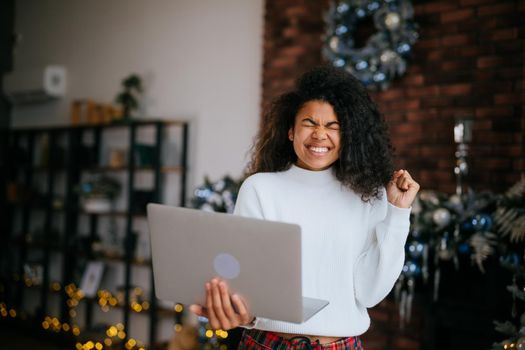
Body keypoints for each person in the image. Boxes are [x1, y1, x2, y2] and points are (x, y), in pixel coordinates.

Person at [189, 65, 420, 349]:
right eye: (309, 123)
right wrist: (240, 313)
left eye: (333, 126)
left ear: (348, 136)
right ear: (290, 131)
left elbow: (370, 293)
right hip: (269, 344)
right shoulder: (261, 189)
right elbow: (248, 283)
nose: (320, 134)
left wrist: (397, 214)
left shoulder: (369, 194)